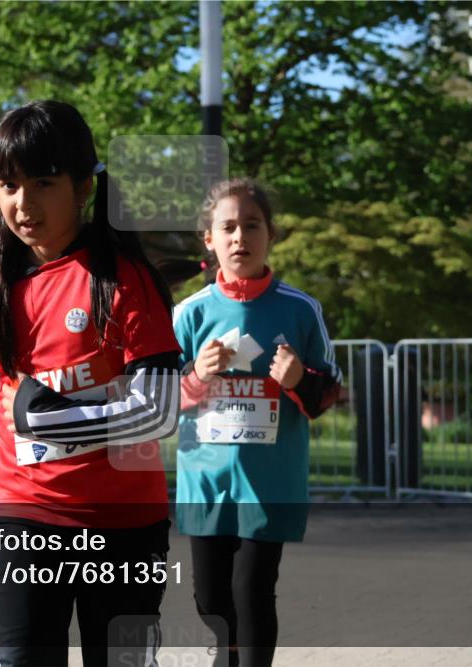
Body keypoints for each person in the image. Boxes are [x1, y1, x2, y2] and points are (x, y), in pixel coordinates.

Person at [0, 100, 180, 667]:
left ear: (83, 185)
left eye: (43, 182)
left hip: (126, 525)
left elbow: (159, 412)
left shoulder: (125, 281)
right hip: (23, 516)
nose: (22, 202)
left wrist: (56, 420)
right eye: (8, 184)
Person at [173, 178, 342, 667]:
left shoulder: (300, 309)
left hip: (269, 482)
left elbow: (328, 392)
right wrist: (196, 376)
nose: (239, 238)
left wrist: (298, 380)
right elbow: (154, 397)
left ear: (271, 235)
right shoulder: (189, 312)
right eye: (227, 227)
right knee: (210, 599)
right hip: (204, 482)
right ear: (209, 239)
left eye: (252, 226)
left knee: (252, 591)